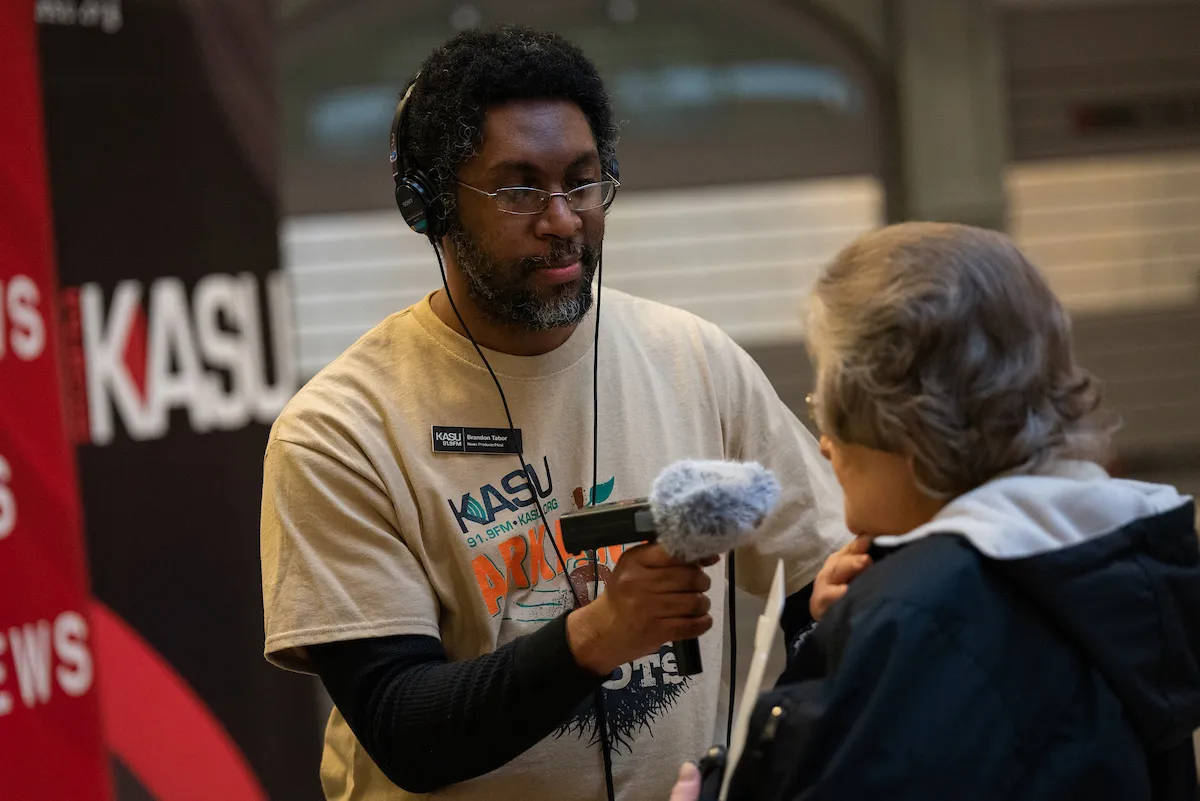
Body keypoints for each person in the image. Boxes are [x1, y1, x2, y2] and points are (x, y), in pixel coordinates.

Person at [259, 25, 853, 801]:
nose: (564, 218)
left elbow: (823, 581)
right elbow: (403, 725)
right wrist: (599, 634)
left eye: (583, 180)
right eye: (519, 189)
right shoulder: (340, 430)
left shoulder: (694, 359)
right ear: (430, 204)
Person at [671, 221, 1200, 800]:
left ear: (898, 417)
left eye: (828, 403)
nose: (824, 442)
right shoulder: (1130, 554)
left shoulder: (915, 614)